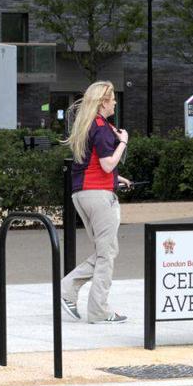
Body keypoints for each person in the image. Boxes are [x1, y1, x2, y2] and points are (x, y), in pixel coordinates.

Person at [60, 80, 132, 324]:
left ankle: (69, 288)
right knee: (106, 255)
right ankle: (96, 308)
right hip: (99, 196)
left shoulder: (87, 126)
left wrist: (115, 178)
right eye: (112, 99)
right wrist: (123, 142)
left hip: (82, 193)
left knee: (107, 251)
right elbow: (107, 163)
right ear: (103, 102)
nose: (115, 103)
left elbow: (92, 164)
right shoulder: (102, 128)